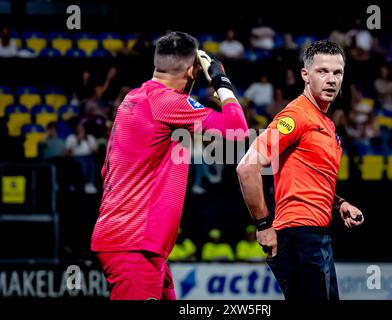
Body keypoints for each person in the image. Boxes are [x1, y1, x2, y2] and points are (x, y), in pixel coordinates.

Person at [91, 31, 248, 300]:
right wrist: (221, 81)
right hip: (134, 245)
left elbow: (107, 170)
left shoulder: (134, 99)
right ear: (191, 70)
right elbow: (238, 130)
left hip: (138, 243)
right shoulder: (166, 102)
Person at [236, 40, 364, 301]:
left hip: (317, 235)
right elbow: (247, 167)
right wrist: (262, 225)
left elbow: (309, 179)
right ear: (305, 75)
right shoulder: (295, 116)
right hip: (299, 236)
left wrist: (338, 204)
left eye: (337, 73)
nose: (331, 80)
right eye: (322, 71)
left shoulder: (324, 122)